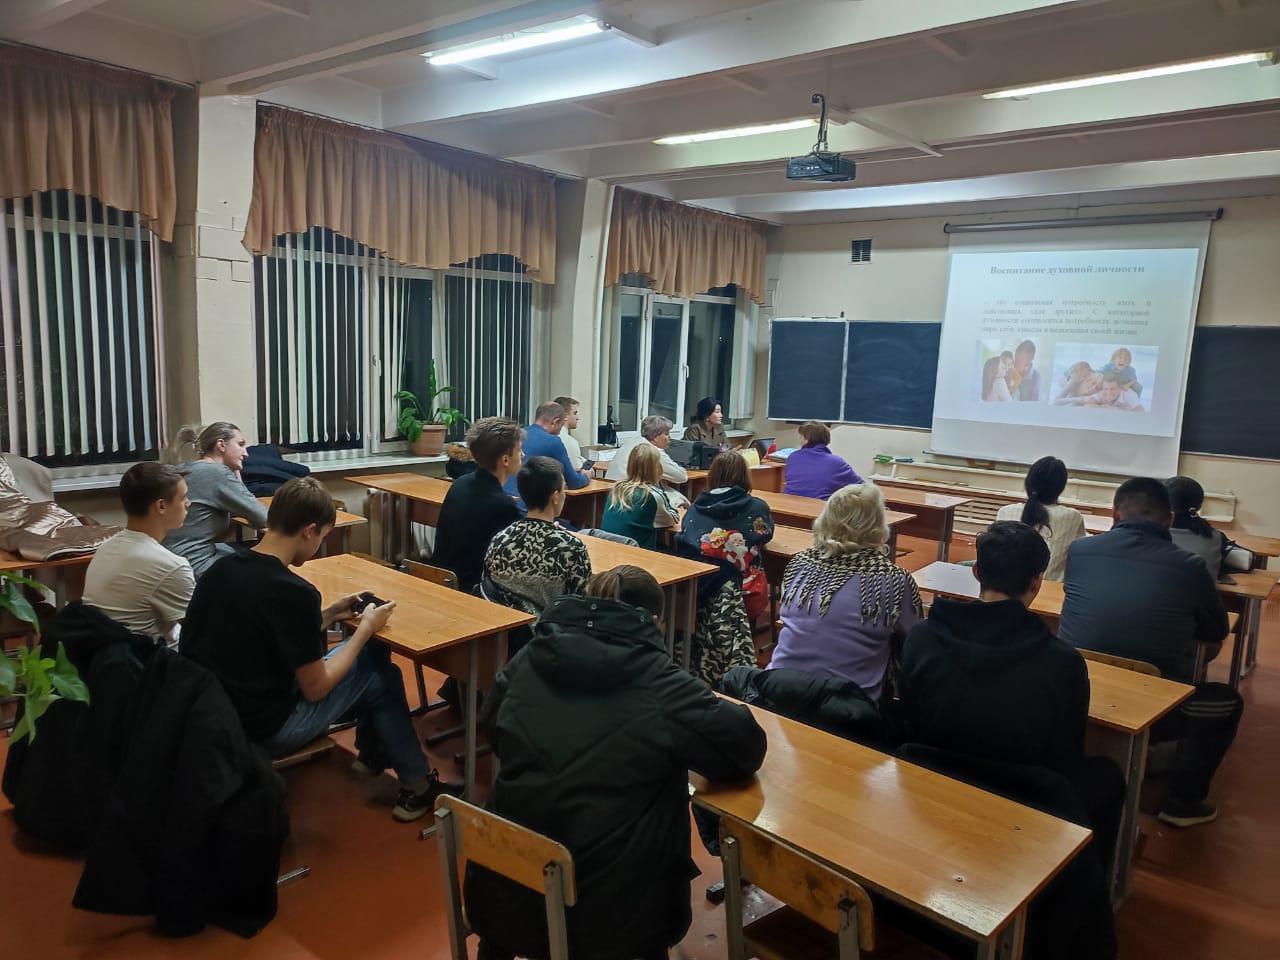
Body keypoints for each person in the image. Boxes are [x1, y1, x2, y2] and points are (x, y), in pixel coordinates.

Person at [465, 565, 767, 960]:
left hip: (506, 893)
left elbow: (494, 728)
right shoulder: (660, 682)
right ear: (654, 621)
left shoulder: (529, 656)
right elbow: (744, 748)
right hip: (612, 914)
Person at [900, 521, 1123, 960]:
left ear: (976, 571)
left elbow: (911, 719)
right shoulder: (1062, 662)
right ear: (1037, 581)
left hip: (932, 790)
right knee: (1107, 777)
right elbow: (1064, 756)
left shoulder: (923, 637)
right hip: (1025, 804)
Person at [181, 477, 451, 822]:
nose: (320, 544)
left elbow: (267, 632)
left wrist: (329, 614)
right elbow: (316, 687)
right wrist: (365, 629)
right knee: (378, 672)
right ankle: (415, 782)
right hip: (266, 730)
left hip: (215, 716)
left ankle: (373, 755)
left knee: (373, 660)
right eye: (323, 536)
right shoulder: (293, 592)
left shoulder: (222, 569)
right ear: (309, 531)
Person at [1060, 477, 1240, 827]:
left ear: (1114, 513)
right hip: (1155, 706)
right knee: (1226, 702)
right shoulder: (1190, 566)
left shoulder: (1080, 550)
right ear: (1169, 520)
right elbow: (1216, 631)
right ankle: (1183, 802)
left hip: (1075, 689)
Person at [771, 483, 922, 702]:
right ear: (878, 525)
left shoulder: (799, 563)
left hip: (778, 690)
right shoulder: (893, 579)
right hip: (846, 707)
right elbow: (914, 642)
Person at [675, 450, 774, 685]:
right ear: (744, 476)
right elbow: (765, 534)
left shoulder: (695, 507)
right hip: (742, 591)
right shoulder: (757, 507)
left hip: (697, 592)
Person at [82, 462, 195, 643]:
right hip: (150, 657)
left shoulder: (105, 549)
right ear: (161, 506)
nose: (189, 503)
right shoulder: (171, 566)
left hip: (103, 653)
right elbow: (204, 630)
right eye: (183, 498)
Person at [483, 456, 592, 617]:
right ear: (555, 496)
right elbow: (581, 607)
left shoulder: (500, 539)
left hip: (504, 625)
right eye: (564, 489)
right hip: (548, 629)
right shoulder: (571, 548)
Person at [161, 422, 269, 578]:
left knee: (242, 553)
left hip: (171, 558)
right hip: (193, 562)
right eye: (240, 444)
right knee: (268, 567)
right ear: (221, 445)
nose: (246, 453)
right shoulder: (216, 473)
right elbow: (263, 518)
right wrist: (234, 474)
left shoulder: (187, 467)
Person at [433, 417, 524, 593]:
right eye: (520, 450)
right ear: (505, 460)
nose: (523, 455)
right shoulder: (503, 506)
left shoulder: (460, 483)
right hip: (470, 589)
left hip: (441, 578)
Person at [994, 456, 1086, 581]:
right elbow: (1081, 553)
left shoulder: (1005, 512)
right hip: (1050, 588)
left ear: (1028, 482)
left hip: (1004, 585)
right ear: (1060, 488)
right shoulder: (1073, 517)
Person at [600, 442, 681, 550]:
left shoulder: (616, 489)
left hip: (610, 549)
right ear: (656, 468)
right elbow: (673, 519)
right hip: (637, 552)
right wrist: (659, 484)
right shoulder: (651, 495)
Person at [502, 401, 589, 499]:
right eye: (561, 426)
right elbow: (574, 482)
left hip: (504, 498)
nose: (559, 432)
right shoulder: (553, 441)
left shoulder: (516, 435)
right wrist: (586, 476)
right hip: (527, 503)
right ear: (555, 422)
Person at [783, 421, 862, 500]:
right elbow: (861, 487)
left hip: (787, 503)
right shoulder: (836, 462)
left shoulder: (793, 457)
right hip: (818, 506)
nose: (800, 440)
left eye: (801, 437)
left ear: (806, 439)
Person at [605, 415, 688, 485]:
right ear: (655, 436)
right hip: (630, 492)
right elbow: (681, 477)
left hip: (610, 489)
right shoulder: (653, 452)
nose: (669, 437)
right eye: (666, 434)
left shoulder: (631, 442)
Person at [554, 395, 587, 470]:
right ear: (565, 416)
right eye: (575, 413)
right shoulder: (569, 441)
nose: (578, 418)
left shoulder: (545, 435)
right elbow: (577, 470)